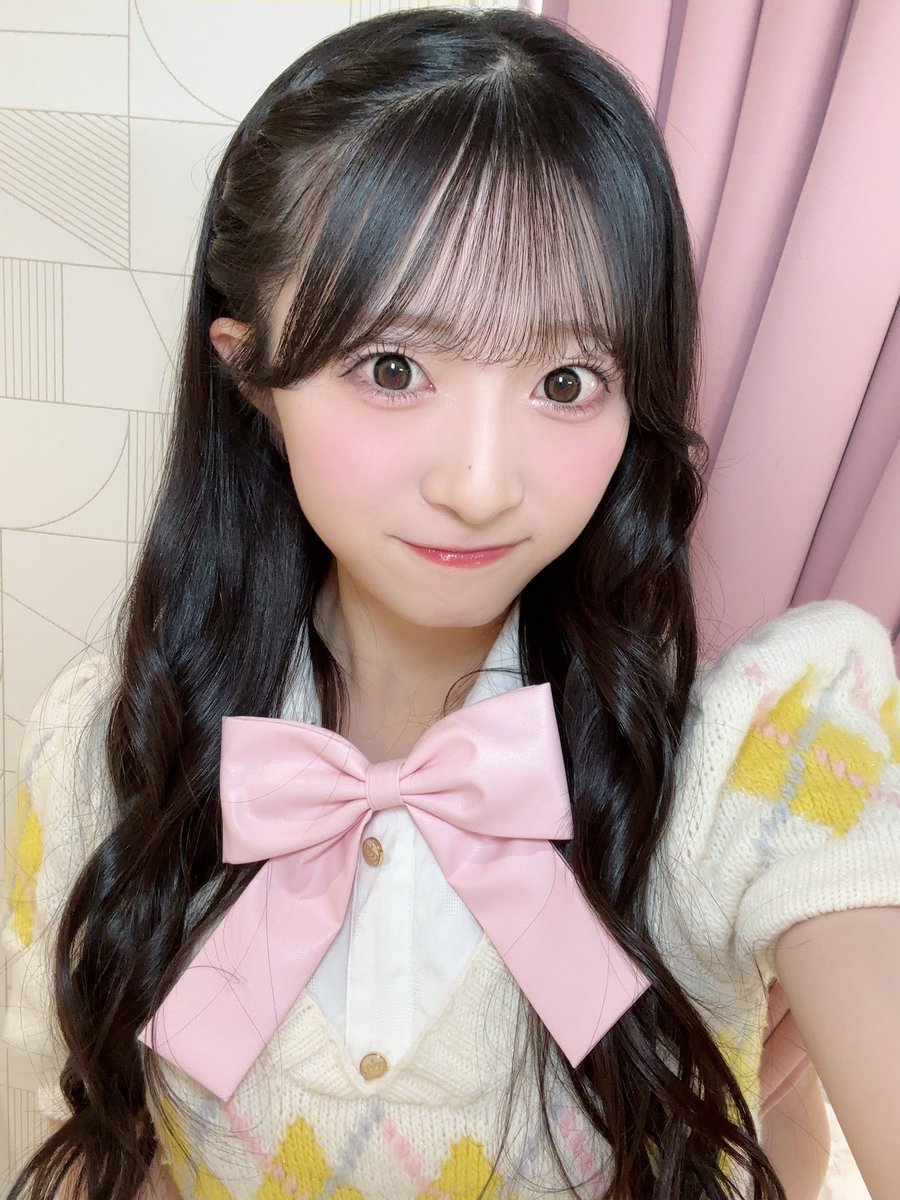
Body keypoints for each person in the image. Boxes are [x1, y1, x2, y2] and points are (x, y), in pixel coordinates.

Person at [2, 6, 898, 1200]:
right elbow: (104, 1153)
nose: (480, 485)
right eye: (394, 369)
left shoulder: (756, 756)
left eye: (566, 380)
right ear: (248, 369)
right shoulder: (107, 747)